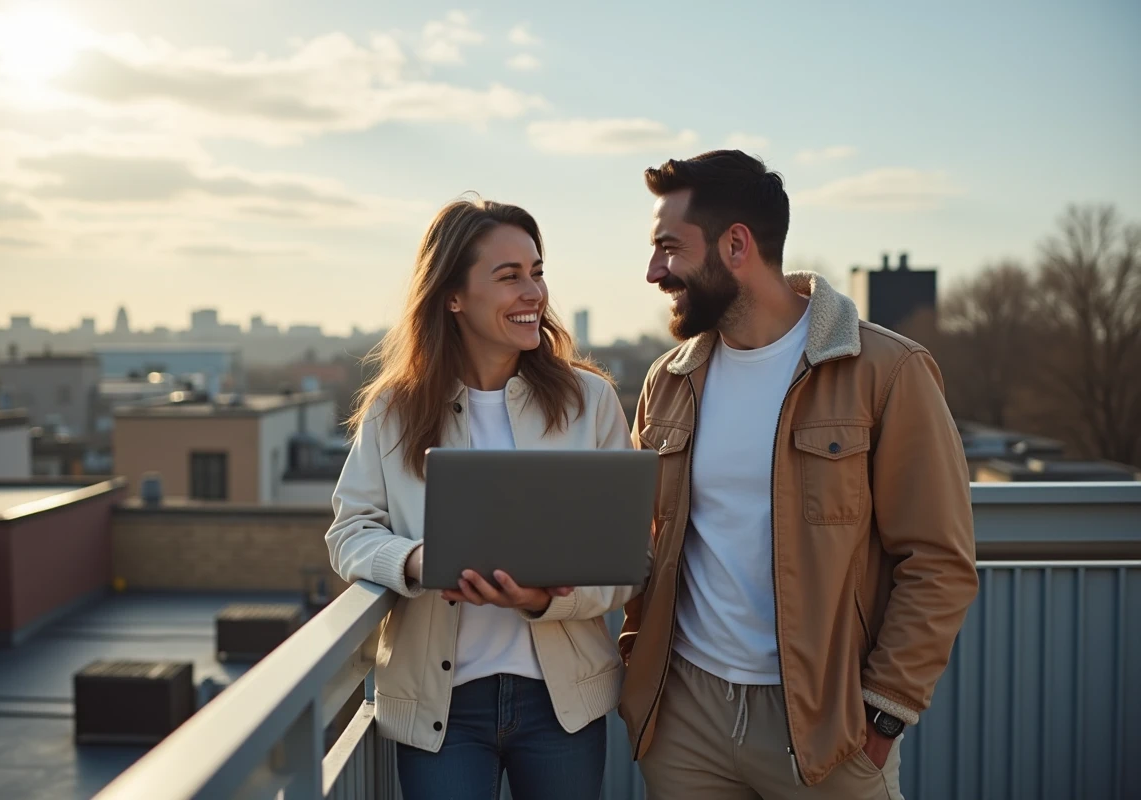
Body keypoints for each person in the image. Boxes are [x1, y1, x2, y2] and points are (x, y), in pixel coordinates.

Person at [617, 150, 979, 799]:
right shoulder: (667, 382)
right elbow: (647, 545)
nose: (653, 271)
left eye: (668, 248)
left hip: (825, 729)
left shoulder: (886, 372)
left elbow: (938, 560)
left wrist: (883, 711)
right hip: (684, 723)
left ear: (735, 245)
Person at [325, 196, 640, 800]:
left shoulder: (590, 402)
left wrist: (545, 599)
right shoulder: (396, 410)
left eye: (537, 272)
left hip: (562, 705)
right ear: (452, 296)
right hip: (440, 710)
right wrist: (416, 562)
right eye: (509, 276)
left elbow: (628, 563)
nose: (533, 293)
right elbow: (349, 532)